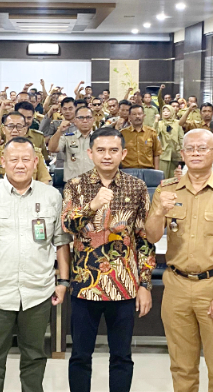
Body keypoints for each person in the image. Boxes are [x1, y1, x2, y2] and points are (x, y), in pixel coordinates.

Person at [146, 128, 213, 392]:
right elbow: (151, 236)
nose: (195, 153)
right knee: (181, 366)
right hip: (177, 286)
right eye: (190, 149)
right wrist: (160, 210)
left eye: (202, 148)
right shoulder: (166, 190)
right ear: (182, 154)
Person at [0, 137, 71, 392]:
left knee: (34, 356)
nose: (19, 165)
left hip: (37, 291)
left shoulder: (52, 196)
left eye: (25, 160)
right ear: (3, 162)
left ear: (35, 162)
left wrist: (63, 281)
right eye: (14, 160)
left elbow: (61, 241)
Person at [62, 127, 155, 392]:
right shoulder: (76, 186)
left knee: (122, 357)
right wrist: (92, 206)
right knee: (80, 356)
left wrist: (145, 284)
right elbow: (67, 225)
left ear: (123, 153)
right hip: (84, 286)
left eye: (113, 150)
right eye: (100, 150)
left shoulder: (136, 187)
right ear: (90, 153)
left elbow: (144, 238)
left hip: (124, 287)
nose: (107, 156)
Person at [0, 112, 52, 184]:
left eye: (19, 126)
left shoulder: (35, 153)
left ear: (25, 130)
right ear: (3, 129)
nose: (14, 130)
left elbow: (44, 180)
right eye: (10, 126)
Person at [48, 106, 95, 181]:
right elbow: (52, 149)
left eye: (88, 117)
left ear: (93, 120)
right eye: (81, 118)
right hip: (72, 184)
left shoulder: (99, 139)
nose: (85, 120)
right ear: (75, 121)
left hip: (94, 183)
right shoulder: (68, 138)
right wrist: (59, 131)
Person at [120, 105, 162, 170]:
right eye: (134, 114)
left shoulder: (151, 132)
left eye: (139, 114)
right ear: (129, 117)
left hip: (148, 170)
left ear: (144, 116)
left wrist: (156, 172)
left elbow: (156, 154)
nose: (137, 116)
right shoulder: (122, 134)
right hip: (128, 170)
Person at [156, 105, 184, 179]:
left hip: (175, 153)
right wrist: (156, 121)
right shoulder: (160, 123)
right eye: (164, 111)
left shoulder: (177, 123)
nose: (165, 113)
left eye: (168, 111)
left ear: (172, 112)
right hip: (164, 154)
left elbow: (181, 138)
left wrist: (183, 152)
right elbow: (154, 134)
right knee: (162, 177)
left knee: (174, 178)